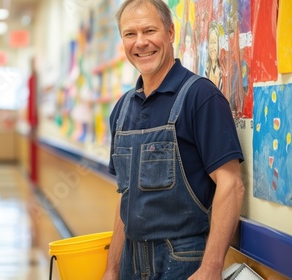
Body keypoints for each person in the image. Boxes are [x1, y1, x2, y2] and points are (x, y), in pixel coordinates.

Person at [103, 0, 245, 279]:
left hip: (183, 259)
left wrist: (211, 267)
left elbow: (231, 184)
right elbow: (125, 199)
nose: (140, 42)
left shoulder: (200, 97)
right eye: (130, 34)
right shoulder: (121, 111)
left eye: (149, 31)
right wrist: (112, 268)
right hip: (132, 261)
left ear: (170, 32)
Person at [205, 21, 223, 91]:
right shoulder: (207, 68)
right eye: (210, 42)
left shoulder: (223, 70)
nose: (212, 46)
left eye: (215, 42)